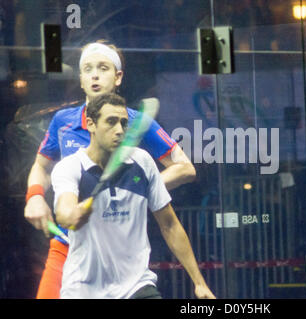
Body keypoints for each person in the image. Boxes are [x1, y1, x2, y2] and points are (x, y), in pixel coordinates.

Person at [24, 40, 196, 298]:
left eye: (103, 68)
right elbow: (41, 166)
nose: (94, 75)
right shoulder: (63, 122)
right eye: (88, 69)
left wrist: (141, 185)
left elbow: (184, 167)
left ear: (118, 77)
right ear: (81, 79)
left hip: (118, 255)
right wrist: (35, 196)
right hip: (67, 246)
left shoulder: (137, 123)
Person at [52, 93, 214, 299]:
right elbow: (64, 211)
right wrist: (72, 215)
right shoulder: (70, 167)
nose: (119, 130)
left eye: (123, 123)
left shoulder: (142, 162)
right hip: (84, 289)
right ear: (91, 124)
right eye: (111, 122)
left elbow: (170, 225)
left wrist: (199, 283)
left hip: (137, 286)